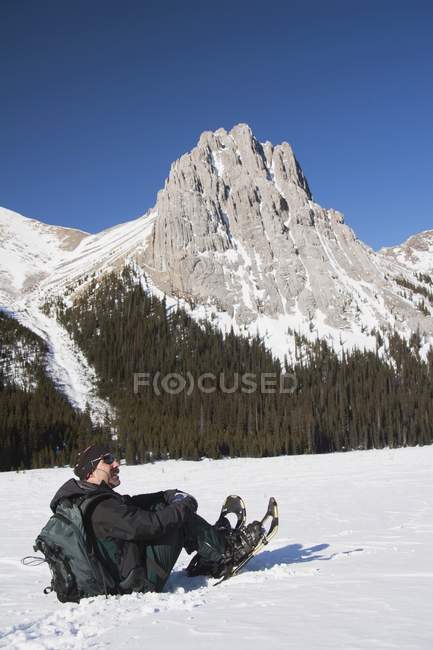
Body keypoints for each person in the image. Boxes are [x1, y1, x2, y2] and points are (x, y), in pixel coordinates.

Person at [49, 443, 264, 594]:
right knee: (179, 520)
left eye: (114, 458)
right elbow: (151, 525)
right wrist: (185, 505)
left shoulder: (87, 499)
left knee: (164, 508)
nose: (116, 464)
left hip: (124, 572)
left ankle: (211, 545)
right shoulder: (102, 508)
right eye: (108, 460)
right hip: (138, 583)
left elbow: (130, 504)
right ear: (90, 471)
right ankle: (227, 552)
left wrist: (166, 495)